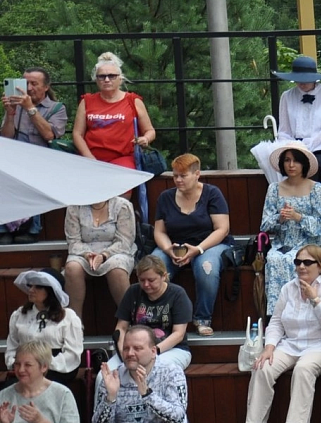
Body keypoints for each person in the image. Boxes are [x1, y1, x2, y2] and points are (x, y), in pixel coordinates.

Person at [236, 244, 321, 423]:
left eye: (307, 262)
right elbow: (276, 321)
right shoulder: (288, 288)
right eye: (297, 262)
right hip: (292, 344)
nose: (301, 266)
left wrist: (315, 299)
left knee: (304, 368)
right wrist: (269, 347)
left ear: (320, 266)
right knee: (262, 366)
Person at [150, 153, 231, 336]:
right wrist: (167, 249)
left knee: (206, 267)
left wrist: (198, 249)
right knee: (154, 267)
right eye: (175, 175)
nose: (178, 180)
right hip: (175, 245)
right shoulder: (165, 197)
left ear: (197, 174)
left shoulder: (212, 194)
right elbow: (159, 231)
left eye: (183, 175)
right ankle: (160, 320)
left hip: (209, 244)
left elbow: (222, 229)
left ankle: (202, 319)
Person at [250, 55, 321, 209]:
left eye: (306, 79)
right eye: (298, 79)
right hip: (292, 146)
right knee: (284, 163)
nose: (302, 83)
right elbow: (284, 130)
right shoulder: (287, 96)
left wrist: (307, 146)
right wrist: (292, 146)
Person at [1, 66, 68, 243]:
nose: (29, 88)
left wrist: (30, 108)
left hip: (44, 159)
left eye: (34, 83)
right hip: (16, 158)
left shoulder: (57, 108)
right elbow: (6, 137)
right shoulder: (17, 106)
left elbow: (49, 135)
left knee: (34, 172)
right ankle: (4, 228)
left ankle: (31, 229)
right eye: (26, 83)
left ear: (46, 87)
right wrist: (9, 114)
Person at [259, 143, 321, 314]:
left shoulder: (317, 189)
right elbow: (264, 224)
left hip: (309, 244)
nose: (291, 165)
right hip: (282, 243)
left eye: (296, 161)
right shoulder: (274, 188)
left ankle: (302, 311)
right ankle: (277, 316)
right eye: (287, 160)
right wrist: (280, 218)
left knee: (295, 260)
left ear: (304, 164)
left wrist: (299, 217)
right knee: (275, 259)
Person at [71, 51, 156, 172]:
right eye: (102, 76)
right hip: (90, 157)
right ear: (96, 79)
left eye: (111, 76)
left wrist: (146, 138)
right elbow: (77, 134)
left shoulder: (133, 100)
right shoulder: (87, 101)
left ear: (120, 79)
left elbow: (150, 130)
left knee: (121, 187)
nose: (106, 79)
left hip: (123, 157)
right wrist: (89, 158)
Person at [63, 195, 136, 320]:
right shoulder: (74, 207)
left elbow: (125, 241)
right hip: (84, 253)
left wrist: (104, 255)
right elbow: (73, 241)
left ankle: (129, 321)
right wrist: (87, 255)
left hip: (116, 251)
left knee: (117, 268)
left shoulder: (122, 205)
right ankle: (74, 324)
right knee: (72, 268)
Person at [114, 255, 193, 371]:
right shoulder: (133, 292)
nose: (146, 284)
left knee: (154, 369)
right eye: (142, 280)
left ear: (164, 276)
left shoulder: (178, 294)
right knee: (103, 376)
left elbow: (178, 334)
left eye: (151, 280)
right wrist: (122, 351)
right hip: (136, 349)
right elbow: (121, 327)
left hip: (172, 349)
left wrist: (154, 351)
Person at [5, 269, 84, 384]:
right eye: (31, 286)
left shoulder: (68, 317)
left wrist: (41, 365)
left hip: (54, 371)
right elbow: (12, 347)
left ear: (51, 291)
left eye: (38, 287)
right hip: (23, 370)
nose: (31, 290)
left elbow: (72, 354)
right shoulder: (19, 315)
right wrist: (17, 364)